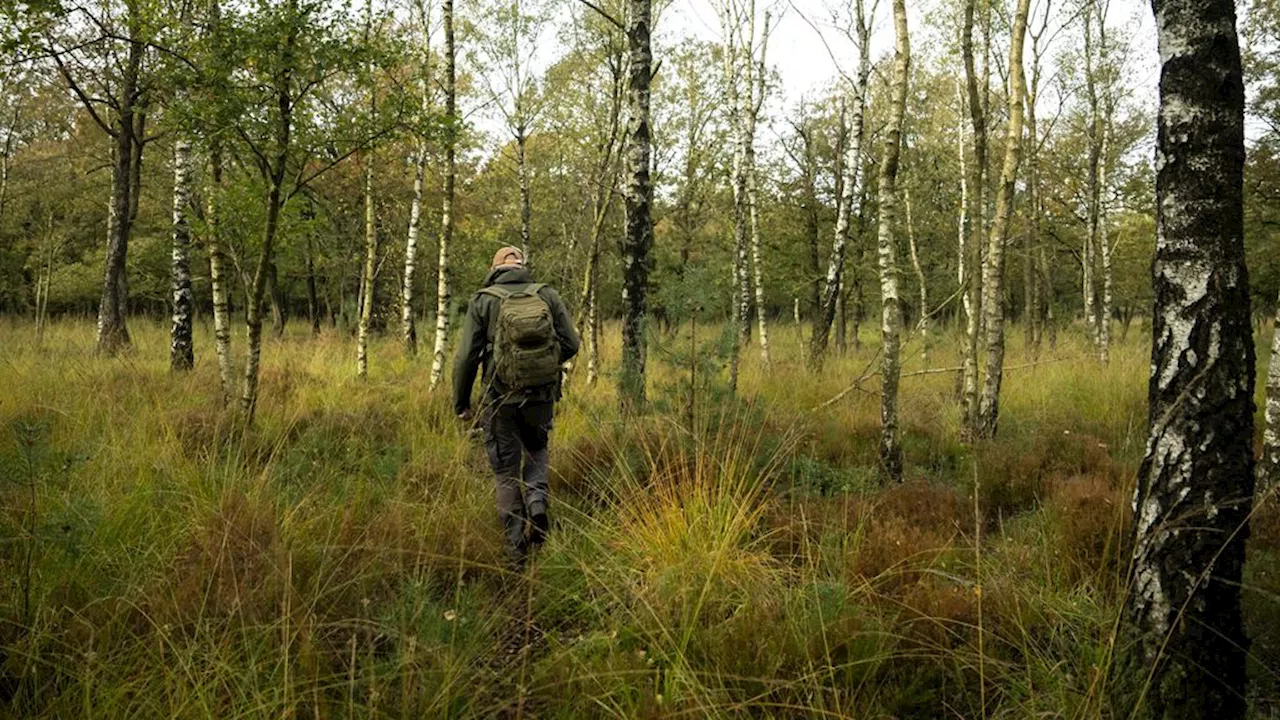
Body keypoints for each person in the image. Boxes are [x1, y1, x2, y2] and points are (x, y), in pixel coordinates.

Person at [453, 246, 580, 567]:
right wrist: (544, 366)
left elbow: (466, 357)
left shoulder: (483, 300)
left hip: (499, 399)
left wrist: (462, 402)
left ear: (494, 268)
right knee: (536, 452)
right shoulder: (547, 295)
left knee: (506, 472)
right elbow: (572, 344)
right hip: (541, 395)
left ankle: (514, 551)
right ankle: (537, 504)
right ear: (522, 266)